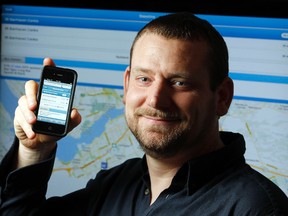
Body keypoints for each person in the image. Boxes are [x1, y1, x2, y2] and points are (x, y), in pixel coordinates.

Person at [0, 12, 287, 216]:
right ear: (126, 85)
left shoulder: (258, 208)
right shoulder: (113, 185)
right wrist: (34, 151)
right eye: (144, 79)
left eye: (179, 82)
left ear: (221, 97)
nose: (156, 99)